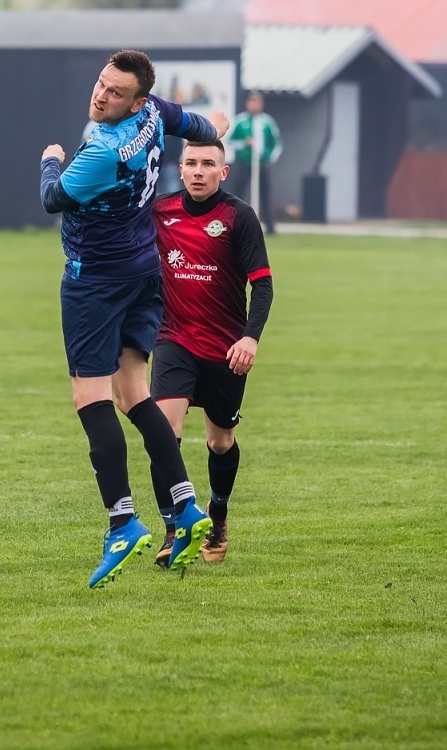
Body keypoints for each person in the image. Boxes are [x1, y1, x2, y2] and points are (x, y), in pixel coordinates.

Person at [40, 50, 228, 588]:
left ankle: (122, 520)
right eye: (101, 84)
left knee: (90, 397)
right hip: (144, 272)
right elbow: (193, 124)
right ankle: (187, 509)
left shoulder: (100, 150)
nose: (101, 95)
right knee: (133, 396)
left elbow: (53, 197)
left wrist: (50, 157)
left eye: (114, 92)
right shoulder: (153, 117)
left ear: (136, 100)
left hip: (96, 282)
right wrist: (214, 127)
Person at [149, 139, 272, 567]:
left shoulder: (239, 217)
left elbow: (263, 284)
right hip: (173, 340)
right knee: (163, 435)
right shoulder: (160, 212)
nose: (198, 171)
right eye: (190, 163)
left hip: (226, 351)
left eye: (208, 164)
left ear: (224, 172)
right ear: (179, 170)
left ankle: (217, 515)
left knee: (220, 443)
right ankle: (173, 529)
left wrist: (250, 337)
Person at [225, 92, 283, 233]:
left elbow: (276, 144)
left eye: (257, 102)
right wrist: (245, 144)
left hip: (261, 163)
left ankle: (269, 225)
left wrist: (268, 158)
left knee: (265, 194)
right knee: (238, 193)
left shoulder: (267, 122)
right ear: (247, 103)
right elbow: (230, 141)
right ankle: (234, 222)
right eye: (252, 102)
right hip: (244, 162)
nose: (254, 105)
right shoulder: (240, 121)